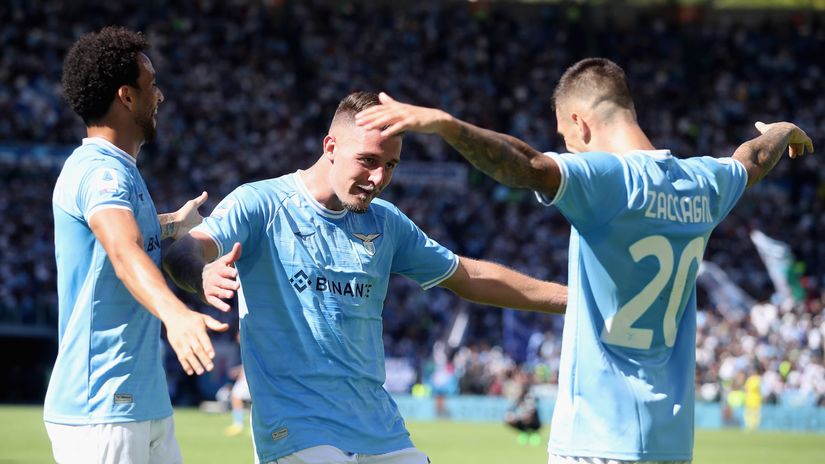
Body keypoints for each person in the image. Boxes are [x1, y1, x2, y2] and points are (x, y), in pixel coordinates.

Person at [355, 58, 813, 463]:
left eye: (565, 137)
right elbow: (752, 158)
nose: (568, 148)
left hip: (597, 438)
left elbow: (527, 165)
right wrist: (783, 129)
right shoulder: (705, 181)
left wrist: (447, 125)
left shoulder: (611, 180)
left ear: (581, 122)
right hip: (670, 442)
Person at [163, 91, 567, 464]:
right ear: (331, 147)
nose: (379, 179)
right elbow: (186, 249)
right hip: (298, 431)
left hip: (380, 431)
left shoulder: (386, 222)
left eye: (390, 165)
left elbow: (469, 275)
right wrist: (201, 273)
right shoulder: (263, 204)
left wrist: (576, 298)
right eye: (369, 161)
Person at [44, 26, 229, 464]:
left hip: (141, 402)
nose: (160, 96)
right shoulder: (100, 172)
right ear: (126, 97)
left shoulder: (118, 172)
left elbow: (132, 234)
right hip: (102, 407)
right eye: (152, 85)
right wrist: (177, 315)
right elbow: (123, 251)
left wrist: (174, 224)